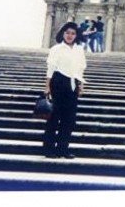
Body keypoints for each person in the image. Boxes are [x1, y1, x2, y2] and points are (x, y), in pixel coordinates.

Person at [43, 22, 86, 159]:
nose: (70, 36)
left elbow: (80, 68)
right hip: (58, 82)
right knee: (54, 117)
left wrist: (80, 85)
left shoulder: (79, 50)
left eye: (73, 33)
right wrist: (47, 85)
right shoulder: (56, 49)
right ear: (63, 34)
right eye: (67, 33)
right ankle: (49, 149)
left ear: (76, 35)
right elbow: (51, 67)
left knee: (69, 119)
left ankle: (63, 149)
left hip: (73, 84)